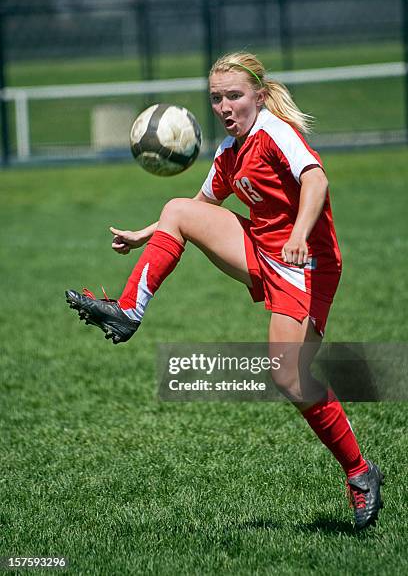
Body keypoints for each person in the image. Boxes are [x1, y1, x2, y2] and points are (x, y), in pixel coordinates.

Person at [66, 52, 384, 530]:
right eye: (216, 98)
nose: (224, 106)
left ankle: (361, 474)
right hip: (263, 251)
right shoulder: (228, 153)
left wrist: (299, 233)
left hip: (307, 263)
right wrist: (144, 235)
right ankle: (128, 309)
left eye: (234, 95)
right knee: (177, 208)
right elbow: (196, 208)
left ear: (258, 94)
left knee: (290, 378)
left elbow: (316, 179)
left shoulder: (275, 132)